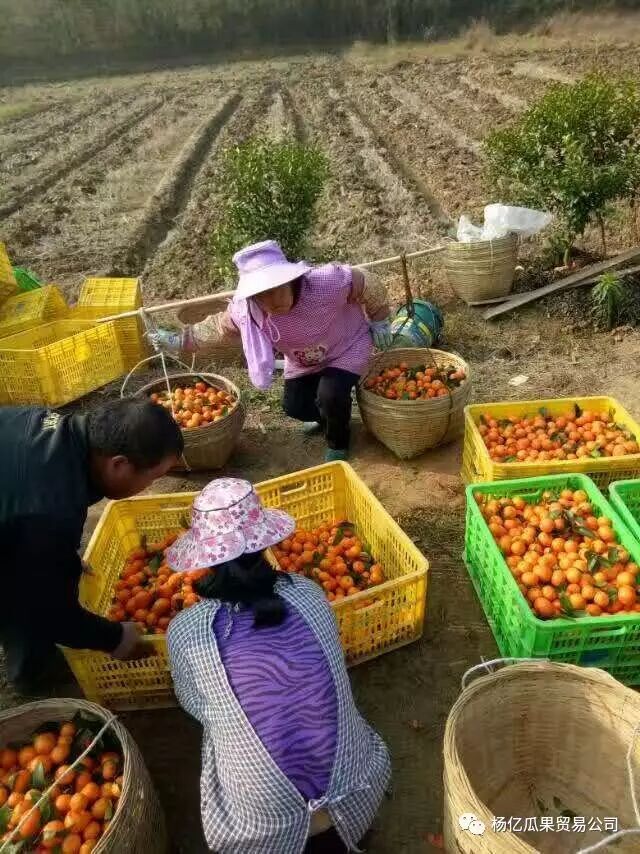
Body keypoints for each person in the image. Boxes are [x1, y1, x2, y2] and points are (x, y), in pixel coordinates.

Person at [166, 478, 391, 854]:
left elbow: (196, 705)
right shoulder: (308, 593)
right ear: (264, 542)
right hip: (355, 789)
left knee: (219, 730)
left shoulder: (187, 631)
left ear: (206, 558)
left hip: (265, 826)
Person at [149, 240, 392, 462]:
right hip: (303, 360)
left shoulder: (325, 283)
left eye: (276, 288)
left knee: (331, 394)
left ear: (290, 279)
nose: (271, 301)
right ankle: (327, 418)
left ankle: (338, 441)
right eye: (261, 295)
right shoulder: (248, 312)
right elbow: (217, 329)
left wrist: (380, 317)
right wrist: (180, 340)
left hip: (346, 347)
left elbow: (365, 282)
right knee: (294, 406)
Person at [0, 399, 184, 691]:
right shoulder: (49, 510)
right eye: (153, 478)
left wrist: (53, 554)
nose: (148, 487)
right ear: (119, 464)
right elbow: (49, 610)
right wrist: (114, 638)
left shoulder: (49, 429)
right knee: (28, 595)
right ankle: (32, 674)